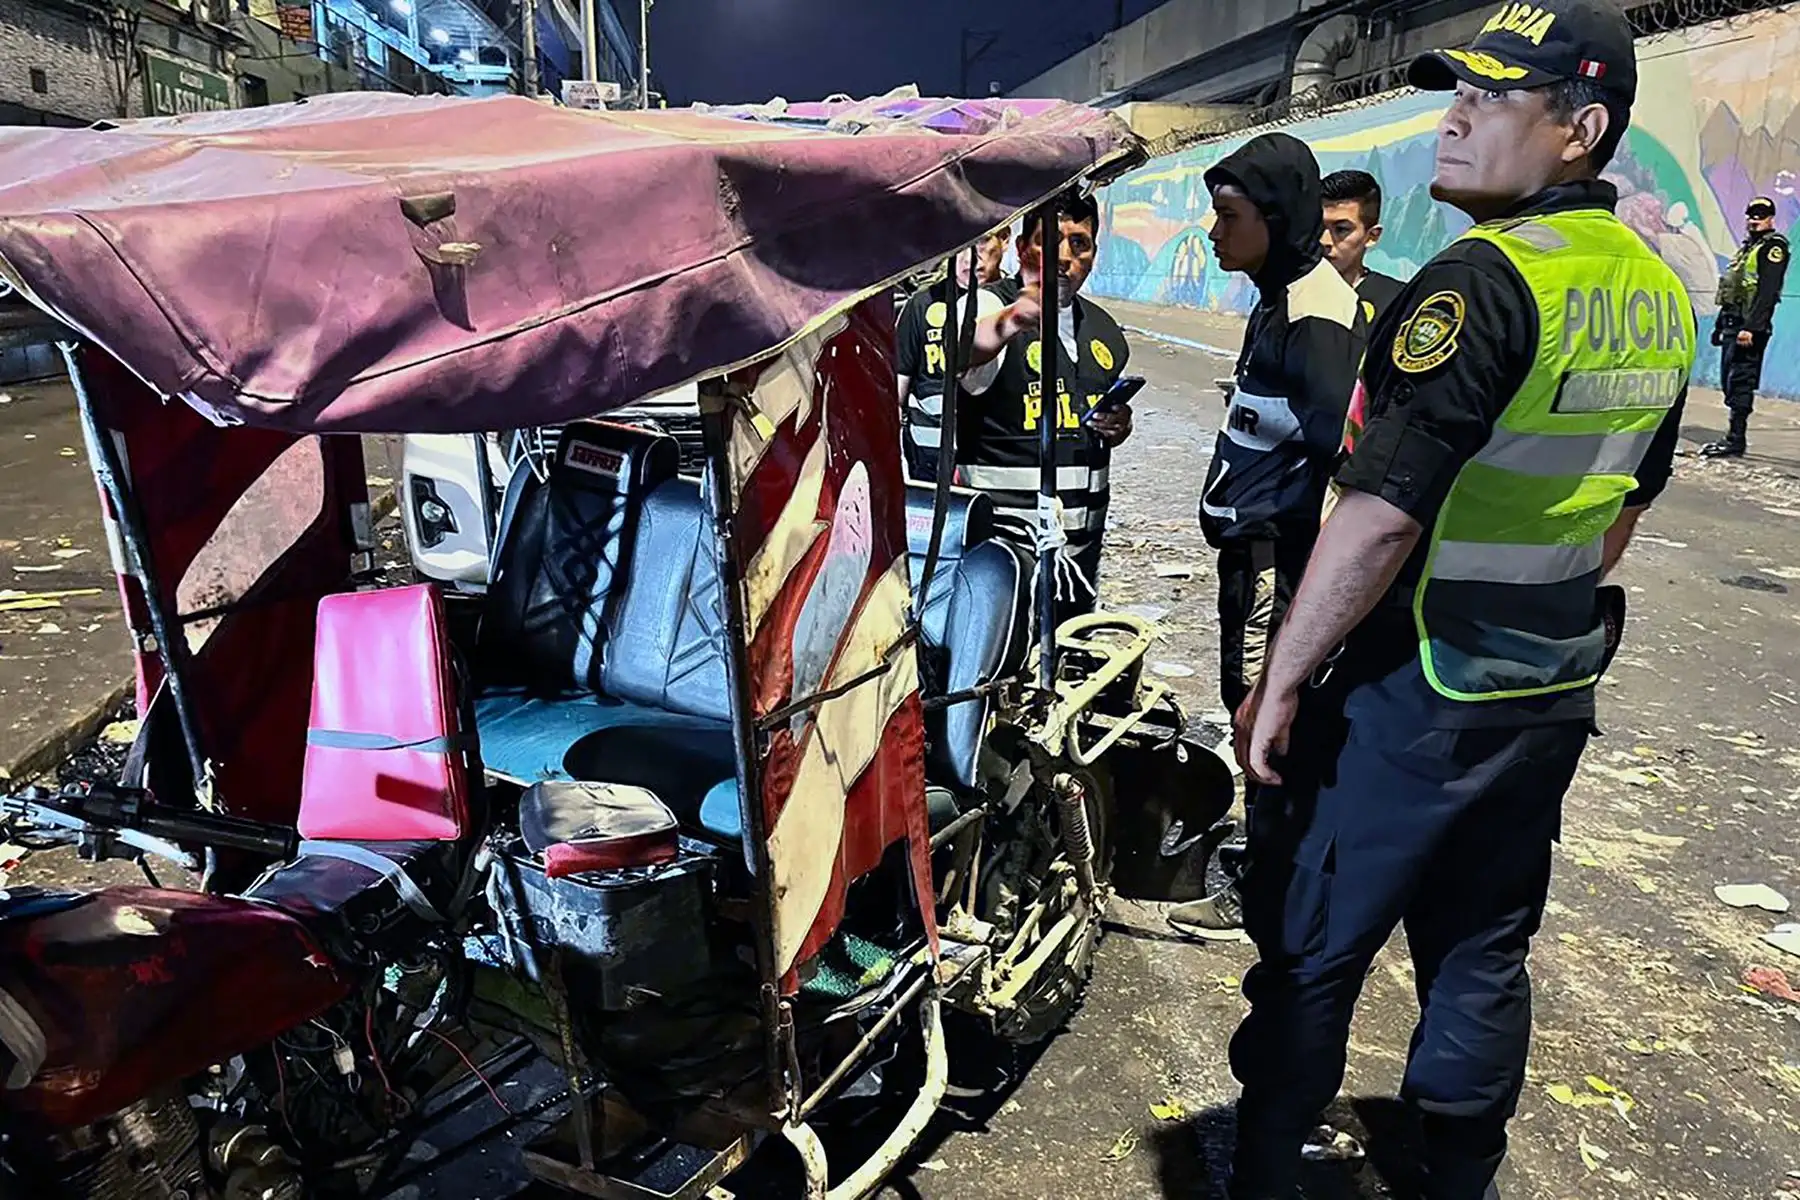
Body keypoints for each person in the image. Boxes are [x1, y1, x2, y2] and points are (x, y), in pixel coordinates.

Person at [1230, 4, 1694, 1197]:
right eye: (1461, 91)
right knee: (1484, 945)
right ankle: (1457, 1174)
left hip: (1414, 685)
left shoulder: (1480, 283)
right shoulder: (1657, 291)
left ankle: (1270, 1166)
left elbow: (1380, 514)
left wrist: (1282, 678)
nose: (1457, 115)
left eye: (1494, 99)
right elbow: (1621, 506)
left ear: (1580, 131)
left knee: (1316, 941)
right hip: (1544, 686)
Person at [1166, 132, 1365, 942]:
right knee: (1252, 709)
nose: (1214, 233)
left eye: (1228, 216)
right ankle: (1273, 862)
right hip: (1256, 556)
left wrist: (1299, 612)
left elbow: (1340, 468)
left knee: (1265, 717)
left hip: (1281, 564)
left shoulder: (1315, 319)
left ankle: (1268, 889)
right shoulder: (1282, 299)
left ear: (1276, 219)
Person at [958, 191, 1133, 623]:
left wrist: (1118, 424)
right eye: (1048, 241)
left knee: (1072, 662)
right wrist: (1015, 319)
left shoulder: (1105, 331)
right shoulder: (990, 305)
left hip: (1079, 554)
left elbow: (1090, 414)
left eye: (1079, 244)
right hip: (1003, 552)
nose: (1063, 257)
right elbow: (964, 350)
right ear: (1021, 249)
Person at [894, 226, 1012, 481]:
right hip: (930, 468)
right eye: (957, 245)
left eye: (980, 242)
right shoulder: (921, 305)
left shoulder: (1018, 309)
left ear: (1005, 239)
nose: (968, 258)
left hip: (997, 468)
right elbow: (896, 393)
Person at [1703, 195, 1788, 457]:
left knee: (1741, 380)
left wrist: (1751, 327)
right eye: (1751, 214)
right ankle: (1733, 435)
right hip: (1732, 323)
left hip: (1748, 327)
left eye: (1761, 215)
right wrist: (1720, 325)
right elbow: (1733, 289)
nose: (1755, 219)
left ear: (1771, 218)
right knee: (1729, 381)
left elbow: (1767, 292)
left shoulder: (1772, 248)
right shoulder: (1748, 247)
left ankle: (1735, 439)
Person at [1321, 168, 1406, 325]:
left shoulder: (1398, 301)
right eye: (1318, 227)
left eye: (1341, 230)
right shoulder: (1288, 297)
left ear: (1372, 236)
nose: (1324, 241)